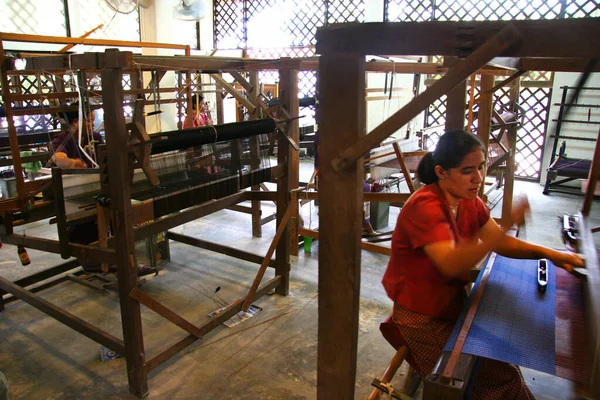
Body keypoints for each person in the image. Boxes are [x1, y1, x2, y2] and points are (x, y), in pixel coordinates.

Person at [381, 130, 584, 399]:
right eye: (467, 170)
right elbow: (452, 264)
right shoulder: (425, 207)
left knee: (500, 364)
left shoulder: (469, 201)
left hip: (450, 304)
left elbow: (500, 243)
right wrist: (507, 225)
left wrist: (553, 255)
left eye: (480, 166)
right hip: (420, 318)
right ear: (442, 172)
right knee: (497, 378)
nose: (478, 177)